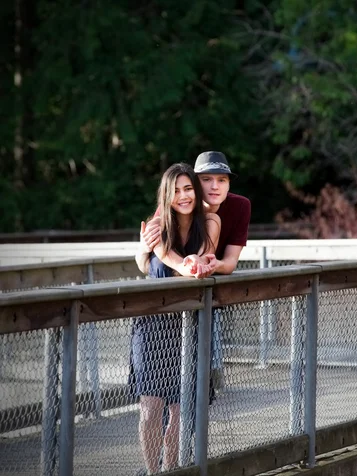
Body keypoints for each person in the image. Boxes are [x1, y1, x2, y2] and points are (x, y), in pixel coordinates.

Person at [136, 150, 251, 391]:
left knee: (191, 382)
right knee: (153, 390)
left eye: (222, 180)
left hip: (199, 292)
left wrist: (212, 264)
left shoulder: (237, 208)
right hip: (161, 300)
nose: (214, 186)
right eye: (206, 179)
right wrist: (146, 248)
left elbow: (229, 262)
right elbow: (145, 260)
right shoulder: (176, 201)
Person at [132, 162, 221, 475]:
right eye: (176, 191)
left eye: (188, 189)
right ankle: (152, 473)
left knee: (182, 411)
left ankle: (173, 470)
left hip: (191, 326)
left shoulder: (211, 220)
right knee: (150, 409)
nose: (183, 196)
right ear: (165, 196)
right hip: (153, 326)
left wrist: (199, 262)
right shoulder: (158, 225)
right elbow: (161, 259)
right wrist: (188, 264)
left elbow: (207, 252)